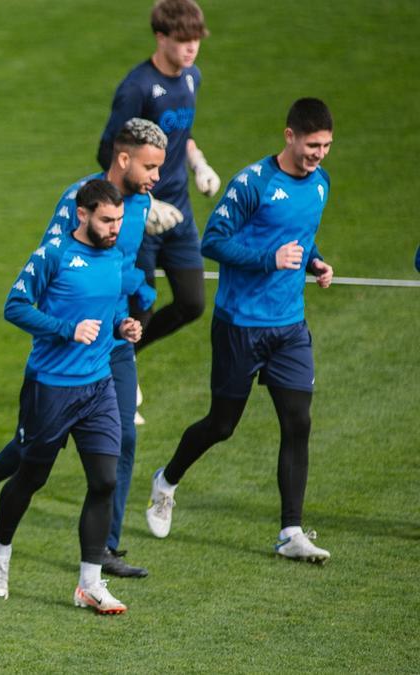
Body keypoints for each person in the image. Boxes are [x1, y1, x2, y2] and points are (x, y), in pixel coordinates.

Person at [0, 119, 166, 579]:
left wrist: (130, 305)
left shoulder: (142, 202)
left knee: (120, 442)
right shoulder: (76, 204)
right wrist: (67, 327)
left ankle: (102, 551)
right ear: (123, 158)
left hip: (109, 339)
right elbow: (54, 266)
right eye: (150, 168)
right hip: (65, 348)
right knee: (34, 458)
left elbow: (118, 262)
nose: (155, 178)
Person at [145, 98, 336, 564]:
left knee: (298, 423)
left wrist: (314, 261)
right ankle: (166, 481)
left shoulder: (320, 184)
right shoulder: (253, 183)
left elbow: (302, 234)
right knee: (222, 425)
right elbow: (213, 240)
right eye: (312, 145)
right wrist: (268, 260)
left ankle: (291, 530)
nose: (319, 154)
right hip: (240, 325)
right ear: (289, 135)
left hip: (289, 326)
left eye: (327, 146)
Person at [0, 179, 142, 615]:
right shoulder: (52, 254)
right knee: (32, 476)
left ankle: (90, 584)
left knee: (105, 480)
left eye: (119, 221)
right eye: (107, 220)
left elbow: (110, 307)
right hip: (51, 386)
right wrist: (65, 329)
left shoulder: (116, 254)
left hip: (99, 385)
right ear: (83, 214)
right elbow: (14, 306)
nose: (114, 229)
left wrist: (121, 326)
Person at [97, 0, 216, 419]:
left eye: (196, 42)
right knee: (139, 307)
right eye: (183, 42)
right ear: (161, 37)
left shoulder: (191, 79)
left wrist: (198, 164)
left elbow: (179, 134)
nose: (191, 51)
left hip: (179, 213)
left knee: (191, 303)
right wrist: (143, 205)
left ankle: (123, 362)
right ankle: (117, 385)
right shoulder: (137, 87)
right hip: (141, 216)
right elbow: (108, 153)